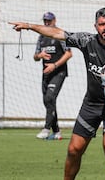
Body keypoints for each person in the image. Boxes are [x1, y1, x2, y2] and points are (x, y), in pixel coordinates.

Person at [10, 7, 105, 180]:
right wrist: (29, 26)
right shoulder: (86, 40)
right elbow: (57, 33)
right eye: (102, 24)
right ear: (95, 26)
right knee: (74, 150)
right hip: (91, 104)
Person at [34, 12, 72, 140]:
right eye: (45, 20)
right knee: (47, 101)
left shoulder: (59, 34)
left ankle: (46, 128)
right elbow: (35, 56)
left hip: (58, 72)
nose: (46, 23)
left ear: (54, 20)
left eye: (49, 21)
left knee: (50, 97)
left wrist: (54, 65)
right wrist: (39, 56)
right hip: (46, 74)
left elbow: (68, 54)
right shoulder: (41, 37)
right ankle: (56, 132)